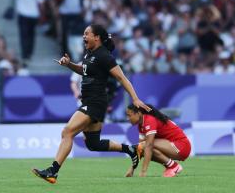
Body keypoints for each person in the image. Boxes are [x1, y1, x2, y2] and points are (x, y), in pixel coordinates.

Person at [32, 24, 151, 184]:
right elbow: (84, 71)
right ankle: (131, 149)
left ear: (97, 37)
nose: (84, 36)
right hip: (91, 101)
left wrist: (135, 99)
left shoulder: (104, 56)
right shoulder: (90, 53)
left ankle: (53, 171)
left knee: (67, 132)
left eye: (87, 33)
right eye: (83, 33)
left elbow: (122, 78)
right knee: (93, 144)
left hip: (95, 102)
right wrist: (69, 64)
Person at [124, 103, 191, 178]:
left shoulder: (149, 120)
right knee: (142, 148)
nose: (127, 118)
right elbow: (140, 150)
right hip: (171, 146)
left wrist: (143, 172)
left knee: (146, 145)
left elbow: (148, 146)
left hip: (182, 146)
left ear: (138, 113)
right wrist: (132, 169)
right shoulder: (141, 125)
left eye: (129, 115)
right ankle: (172, 166)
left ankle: (173, 166)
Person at [6, 0, 45, 64]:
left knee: (24, 35)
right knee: (31, 35)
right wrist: (42, 16)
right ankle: (29, 53)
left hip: (23, 15)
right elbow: (42, 3)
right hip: (34, 15)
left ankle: (25, 54)